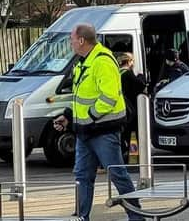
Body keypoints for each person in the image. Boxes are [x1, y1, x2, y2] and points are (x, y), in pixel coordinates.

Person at [52, 24, 143, 221]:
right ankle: (81, 216)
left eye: (72, 39)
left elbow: (108, 98)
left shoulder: (102, 61)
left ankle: (137, 216)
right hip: (86, 131)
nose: (71, 43)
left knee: (117, 174)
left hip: (103, 130)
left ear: (82, 40)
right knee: (82, 176)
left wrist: (89, 117)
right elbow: (81, 97)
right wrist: (68, 116)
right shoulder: (84, 61)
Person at [117, 52, 146, 161]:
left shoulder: (117, 73)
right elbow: (140, 85)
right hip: (131, 108)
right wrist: (141, 76)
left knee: (124, 133)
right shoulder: (128, 74)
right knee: (133, 134)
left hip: (121, 108)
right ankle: (133, 158)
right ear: (129, 62)